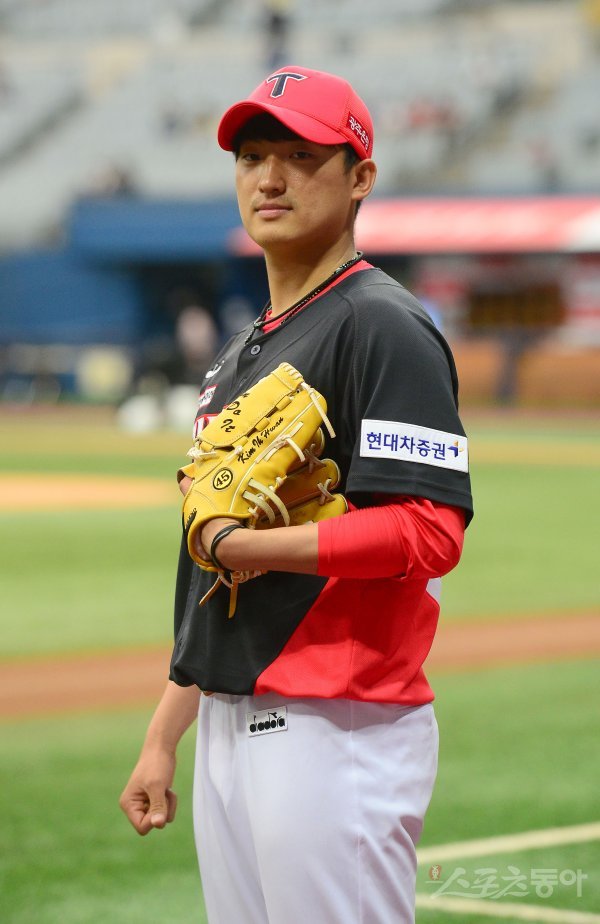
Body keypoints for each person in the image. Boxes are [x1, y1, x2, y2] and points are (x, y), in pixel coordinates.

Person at [120, 65, 473, 924]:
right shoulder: (241, 349)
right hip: (229, 719)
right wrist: (165, 732)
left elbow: (429, 532)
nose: (269, 178)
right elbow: (216, 570)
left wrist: (249, 545)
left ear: (360, 178)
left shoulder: (381, 323)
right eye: (251, 157)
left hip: (335, 722)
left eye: (300, 156)